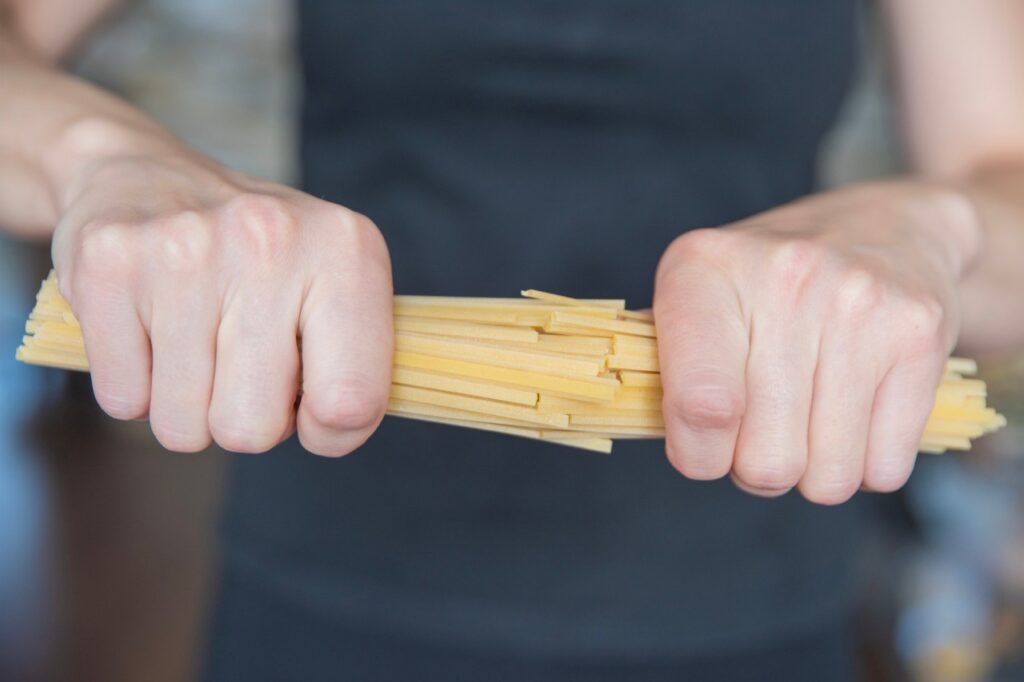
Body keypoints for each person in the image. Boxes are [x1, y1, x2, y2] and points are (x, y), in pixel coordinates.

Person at [3, 0, 1024, 679]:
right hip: (329, 572)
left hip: (739, 591)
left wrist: (936, 225)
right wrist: (103, 158)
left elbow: (1001, 162)